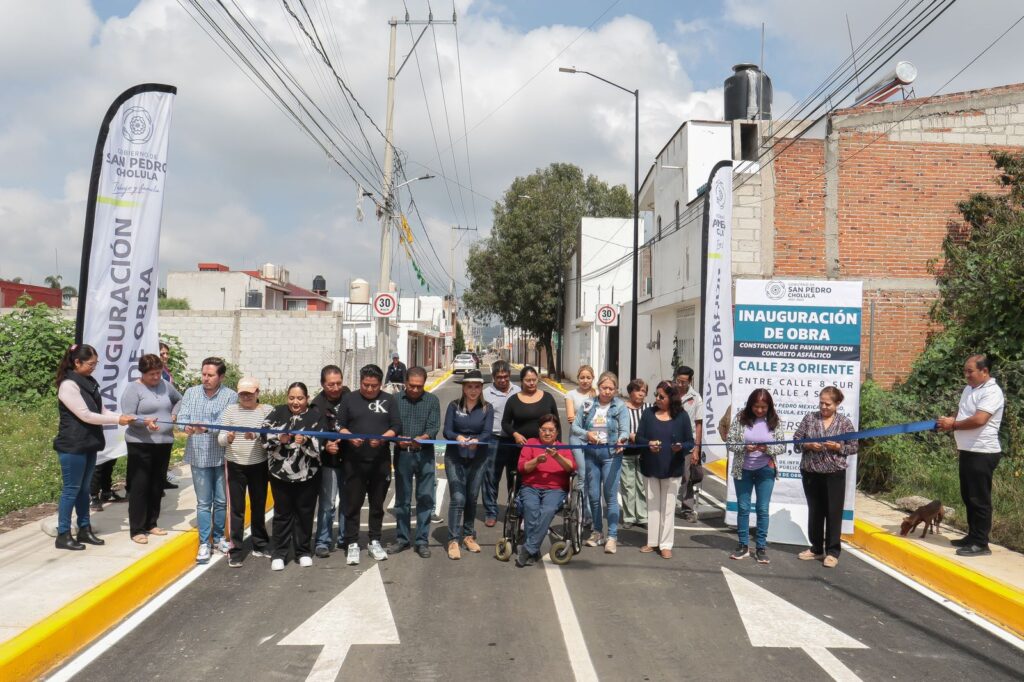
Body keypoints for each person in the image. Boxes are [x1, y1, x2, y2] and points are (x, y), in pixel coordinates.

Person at [52, 344, 136, 550]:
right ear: (77, 362)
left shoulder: (89, 381)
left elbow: (101, 410)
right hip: (73, 445)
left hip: (89, 443)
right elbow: (85, 415)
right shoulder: (68, 385)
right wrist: (118, 420)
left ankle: (84, 529)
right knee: (71, 490)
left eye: (95, 364)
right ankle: (63, 533)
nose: (93, 368)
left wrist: (121, 417)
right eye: (90, 364)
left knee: (84, 490)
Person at [937, 354, 1005, 557]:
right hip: (967, 450)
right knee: (968, 496)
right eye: (965, 371)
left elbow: (979, 420)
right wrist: (950, 421)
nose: (966, 375)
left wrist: (954, 425)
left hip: (982, 452)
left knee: (979, 498)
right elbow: (964, 414)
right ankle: (972, 536)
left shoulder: (992, 392)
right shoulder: (969, 389)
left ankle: (981, 543)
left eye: (970, 371)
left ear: (984, 371)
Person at [174, 357, 238, 563]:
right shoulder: (191, 393)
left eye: (211, 375)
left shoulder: (230, 396)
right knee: (203, 502)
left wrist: (207, 427)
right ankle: (204, 542)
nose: (206, 379)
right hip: (198, 455)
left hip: (221, 455)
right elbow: (182, 417)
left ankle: (218, 538)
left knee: (221, 501)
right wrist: (187, 427)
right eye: (203, 374)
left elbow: (227, 422)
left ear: (221, 376)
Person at [337, 364, 402, 565]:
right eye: (366, 385)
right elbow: (339, 425)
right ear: (360, 382)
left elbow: (396, 426)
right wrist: (350, 437)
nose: (370, 389)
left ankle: (375, 540)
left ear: (380, 384)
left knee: (376, 505)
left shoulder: (388, 400)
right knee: (353, 505)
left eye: (374, 386)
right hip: (354, 462)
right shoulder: (349, 399)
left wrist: (383, 438)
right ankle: (352, 543)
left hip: (380, 462)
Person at [793, 386, 857, 568]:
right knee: (815, 511)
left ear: (837, 404)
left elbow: (854, 446)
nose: (823, 407)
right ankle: (816, 548)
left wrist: (838, 448)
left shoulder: (844, 423)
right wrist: (808, 445)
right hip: (811, 472)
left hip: (834, 473)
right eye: (821, 402)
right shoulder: (810, 418)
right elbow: (797, 440)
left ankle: (833, 551)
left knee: (833, 512)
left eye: (828, 404)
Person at [261, 382, 323, 570]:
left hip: (308, 474)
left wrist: (305, 440)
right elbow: (262, 435)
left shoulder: (315, 415)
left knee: (305, 512)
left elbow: (320, 445)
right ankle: (279, 553)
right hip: (280, 474)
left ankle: (303, 551)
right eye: (292, 398)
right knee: (282, 513)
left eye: (300, 398)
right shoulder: (277, 412)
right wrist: (279, 438)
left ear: (307, 399)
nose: (295, 402)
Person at [120, 353, 181, 545]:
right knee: (140, 485)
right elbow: (127, 416)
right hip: (140, 443)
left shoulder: (165, 385)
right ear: (143, 373)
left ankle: (151, 522)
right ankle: (137, 529)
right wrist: (144, 422)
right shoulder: (133, 388)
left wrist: (174, 414)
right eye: (152, 374)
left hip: (163, 442)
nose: (156, 377)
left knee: (156, 484)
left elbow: (179, 399)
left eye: (158, 373)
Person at [571, 371, 630, 554]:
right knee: (594, 496)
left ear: (616, 389)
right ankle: (597, 532)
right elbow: (575, 426)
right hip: (591, 453)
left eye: (611, 388)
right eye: (604, 387)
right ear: (599, 387)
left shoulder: (620, 407)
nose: (607, 391)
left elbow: (625, 430)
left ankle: (612, 536)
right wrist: (587, 434)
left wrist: (622, 440)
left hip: (611, 454)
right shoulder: (588, 405)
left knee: (610, 497)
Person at [635, 381, 694, 558]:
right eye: (656, 395)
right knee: (653, 507)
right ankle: (652, 542)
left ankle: (666, 544)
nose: (657, 399)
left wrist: (680, 447)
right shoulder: (648, 413)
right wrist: (649, 444)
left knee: (668, 508)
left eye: (662, 396)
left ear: (671, 398)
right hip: (651, 466)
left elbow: (690, 441)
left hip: (673, 468)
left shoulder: (682, 417)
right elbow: (639, 437)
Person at [218, 377, 273, 567]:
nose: (246, 397)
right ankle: (236, 549)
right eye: (242, 394)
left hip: (259, 464)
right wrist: (229, 438)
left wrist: (257, 435)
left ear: (258, 392)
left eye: (249, 393)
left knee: (259, 505)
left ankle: (260, 543)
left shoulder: (267, 411)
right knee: (236, 508)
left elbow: (271, 435)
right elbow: (220, 438)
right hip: (235, 464)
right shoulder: (230, 411)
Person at [726, 388, 785, 564]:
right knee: (743, 508)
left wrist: (767, 448)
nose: (759, 410)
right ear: (750, 405)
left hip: (765, 470)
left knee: (762, 509)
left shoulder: (775, 421)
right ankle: (743, 545)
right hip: (742, 469)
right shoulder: (740, 418)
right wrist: (744, 447)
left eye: (763, 407)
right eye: (756, 407)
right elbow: (730, 442)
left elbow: (782, 446)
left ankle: (760, 547)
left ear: (769, 407)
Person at [389, 366, 440, 558]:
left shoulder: (432, 400)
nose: (416, 390)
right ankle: (402, 539)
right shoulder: (394, 400)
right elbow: (390, 426)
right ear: (405, 383)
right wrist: (396, 439)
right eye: (412, 386)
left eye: (420, 386)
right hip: (402, 455)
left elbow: (434, 426)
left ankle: (421, 540)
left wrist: (424, 437)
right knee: (402, 499)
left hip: (425, 454)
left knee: (425, 497)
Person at [442, 370, 494, 559]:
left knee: (472, 497)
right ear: (463, 388)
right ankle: (453, 539)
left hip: (478, 458)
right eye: (469, 386)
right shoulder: (453, 406)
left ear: (482, 389)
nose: (473, 390)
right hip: (455, 457)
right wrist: (458, 437)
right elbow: (447, 430)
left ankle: (468, 535)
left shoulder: (487, 408)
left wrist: (477, 440)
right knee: (458, 497)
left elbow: (488, 432)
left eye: (477, 387)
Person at [516, 414, 576, 567]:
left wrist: (557, 457)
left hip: (555, 489)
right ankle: (532, 550)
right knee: (531, 508)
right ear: (539, 430)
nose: (547, 433)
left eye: (551, 430)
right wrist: (536, 461)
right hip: (531, 487)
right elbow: (522, 468)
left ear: (556, 432)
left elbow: (571, 468)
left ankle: (528, 549)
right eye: (544, 430)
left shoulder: (563, 448)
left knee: (547, 510)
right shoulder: (531, 443)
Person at [311, 365, 349, 559]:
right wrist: (326, 446)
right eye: (331, 384)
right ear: (323, 384)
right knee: (328, 504)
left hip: (351, 459)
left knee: (348, 502)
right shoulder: (316, 406)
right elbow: (314, 435)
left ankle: (345, 538)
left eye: (339, 383)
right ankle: (323, 540)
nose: (335, 387)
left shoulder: (351, 396)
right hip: (329, 461)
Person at [482, 359, 520, 526]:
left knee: (515, 476)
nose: (503, 380)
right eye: (499, 377)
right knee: (491, 477)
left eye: (505, 376)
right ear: (493, 377)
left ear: (509, 376)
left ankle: (514, 508)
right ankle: (491, 511)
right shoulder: (485, 394)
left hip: (514, 441)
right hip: (493, 440)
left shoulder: (518, 391)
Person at [564, 366, 597, 508]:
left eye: (588, 378)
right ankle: (583, 511)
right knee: (582, 473)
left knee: (593, 476)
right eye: (582, 377)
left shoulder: (597, 395)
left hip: (594, 439)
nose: (585, 381)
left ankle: (591, 509)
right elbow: (571, 419)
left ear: (592, 379)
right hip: (577, 437)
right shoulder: (570, 394)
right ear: (578, 378)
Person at [674, 366, 704, 522]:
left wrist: (696, 449)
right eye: (678, 380)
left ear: (690, 381)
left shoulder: (696, 398)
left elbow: (699, 424)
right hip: (669, 441)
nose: (680, 384)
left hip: (687, 442)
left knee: (687, 476)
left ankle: (687, 508)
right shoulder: (669, 393)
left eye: (684, 382)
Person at [620, 379, 650, 529]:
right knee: (627, 485)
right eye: (637, 390)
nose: (640, 393)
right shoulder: (621, 408)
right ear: (630, 392)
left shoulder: (650, 408)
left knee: (642, 485)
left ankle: (643, 516)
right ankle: (629, 516)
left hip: (644, 452)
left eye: (643, 391)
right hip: (626, 452)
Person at [158, 342, 179, 491]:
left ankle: (162, 478)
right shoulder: (155, 373)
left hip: (168, 416)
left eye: (167, 353)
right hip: (157, 416)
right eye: (162, 354)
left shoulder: (165, 370)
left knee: (165, 449)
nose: (165, 356)